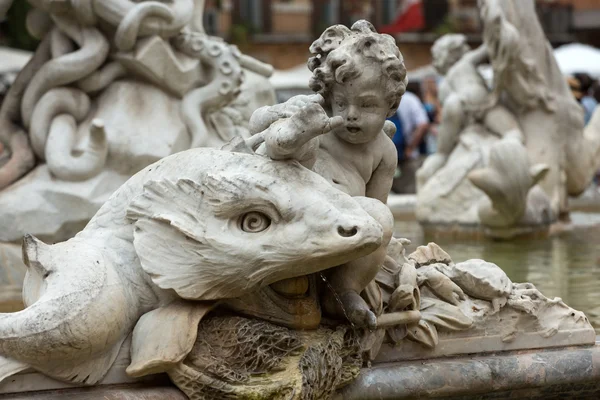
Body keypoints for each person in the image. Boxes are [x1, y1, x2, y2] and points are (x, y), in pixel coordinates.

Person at [248, 20, 407, 328]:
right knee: (291, 145)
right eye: (341, 102)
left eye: (367, 105)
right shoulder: (317, 120)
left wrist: (368, 267)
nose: (350, 114)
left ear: (391, 104)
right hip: (298, 218)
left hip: (342, 233)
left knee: (378, 220)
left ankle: (344, 291)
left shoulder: (385, 151)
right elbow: (257, 123)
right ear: (328, 96)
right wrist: (292, 119)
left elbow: (378, 215)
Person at [391, 82, 429, 194]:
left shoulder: (379, 98)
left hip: (382, 156)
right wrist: (410, 148)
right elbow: (423, 124)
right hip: (408, 157)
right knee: (410, 194)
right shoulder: (409, 99)